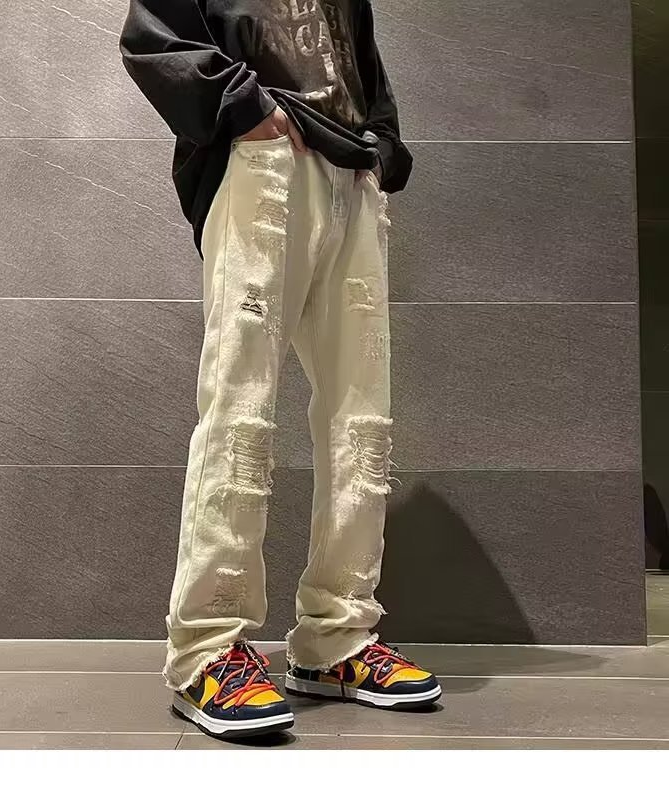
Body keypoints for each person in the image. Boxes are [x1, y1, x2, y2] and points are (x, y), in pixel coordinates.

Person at [119, 0, 441, 739]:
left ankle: (337, 636)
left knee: (363, 422)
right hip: (263, 161)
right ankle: (207, 648)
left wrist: (380, 149)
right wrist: (247, 111)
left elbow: (357, 60)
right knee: (240, 407)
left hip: (350, 172)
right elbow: (151, 38)